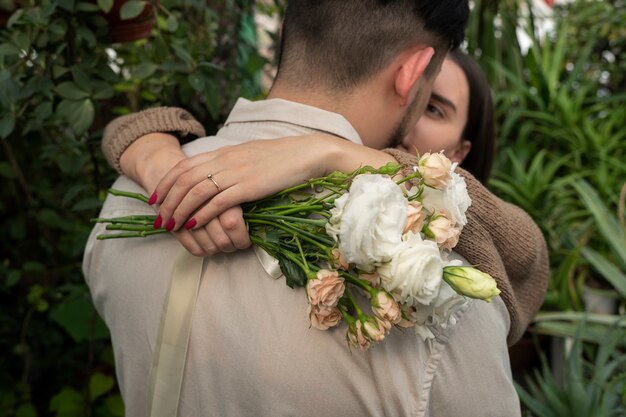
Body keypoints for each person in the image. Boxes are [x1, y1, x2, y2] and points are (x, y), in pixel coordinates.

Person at [84, 2, 548, 416]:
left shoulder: (132, 188)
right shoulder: (432, 287)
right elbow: (522, 262)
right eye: (431, 100)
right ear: (411, 74)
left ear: (285, 32)